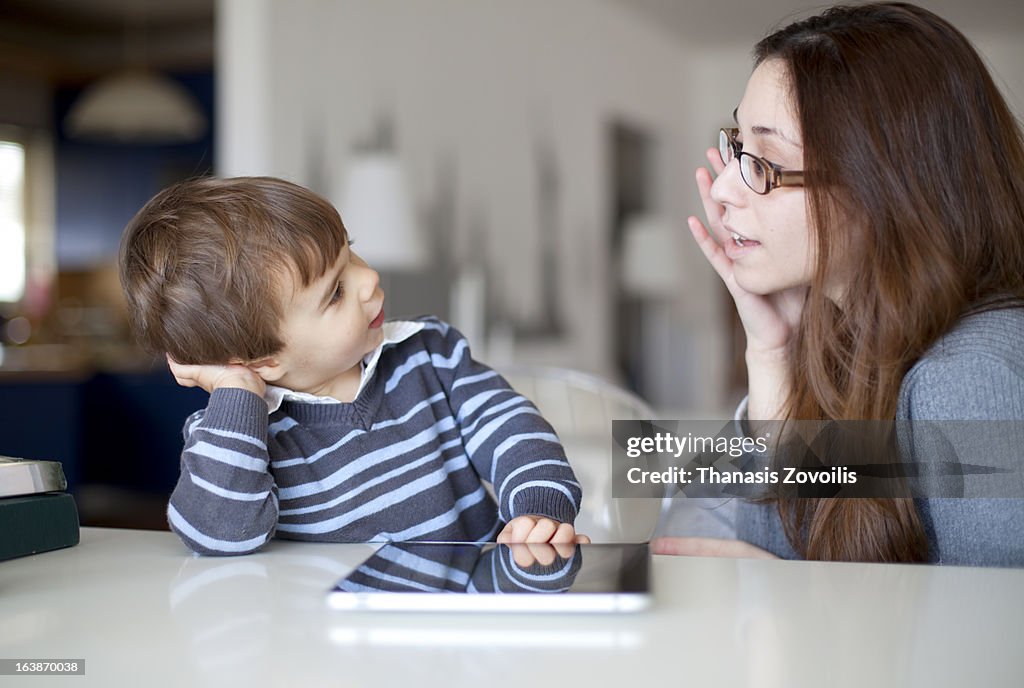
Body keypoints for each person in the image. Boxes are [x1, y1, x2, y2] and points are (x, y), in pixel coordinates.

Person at [654, 2, 1024, 565]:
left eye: (764, 162)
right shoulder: (856, 344)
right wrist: (773, 353)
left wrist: (792, 594)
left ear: (884, 187)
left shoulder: (970, 379)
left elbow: (988, 644)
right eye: (737, 147)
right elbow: (718, 527)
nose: (724, 188)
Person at [119, 176, 586, 555]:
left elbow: (510, 426)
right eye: (335, 292)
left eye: (351, 251)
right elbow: (218, 534)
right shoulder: (237, 436)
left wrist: (537, 507)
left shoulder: (430, 354)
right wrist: (239, 392)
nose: (368, 278)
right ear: (265, 360)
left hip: (465, 619)